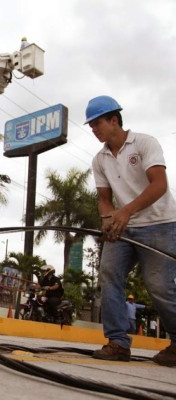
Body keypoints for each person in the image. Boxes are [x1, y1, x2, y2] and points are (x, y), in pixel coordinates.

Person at [85, 95, 176, 367]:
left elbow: (159, 185)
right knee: (109, 276)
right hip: (124, 229)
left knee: (158, 285)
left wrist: (125, 211)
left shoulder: (145, 143)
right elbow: (104, 197)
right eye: (91, 125)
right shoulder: (99, 159)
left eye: (97, 122)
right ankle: (117, 343)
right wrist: (107, 217)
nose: (94, 129)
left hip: (160, 224)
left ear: (114, 120)